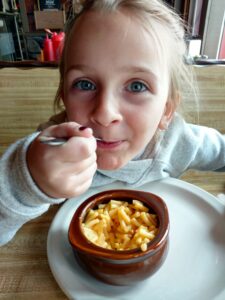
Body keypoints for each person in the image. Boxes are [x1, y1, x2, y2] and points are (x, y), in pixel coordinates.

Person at [0, 0, 224, 246]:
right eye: (85, 84)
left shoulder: (180, 141)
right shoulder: (50, 150)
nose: (105, 113)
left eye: (137, 86)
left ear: (166, 110)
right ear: (64, 95)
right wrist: (30, 182)